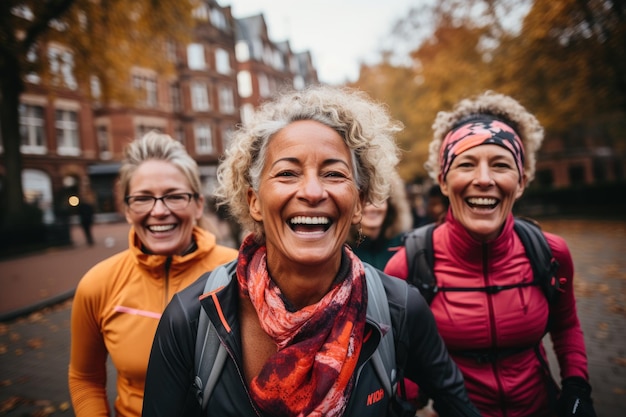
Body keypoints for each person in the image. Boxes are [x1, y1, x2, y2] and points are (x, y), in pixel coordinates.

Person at [141, 85, 481, 417]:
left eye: (334, 173)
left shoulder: (400, 310)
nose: (313, 191)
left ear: (360, 203)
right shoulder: (190, 319)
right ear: (254, 201)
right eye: (287, 173)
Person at [385, 91, 596, 417]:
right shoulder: (409, 264)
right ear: (443, 180)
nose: (484, 179)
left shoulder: (550, 252)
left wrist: (577, 388)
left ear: (521, 181)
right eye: (466, 164)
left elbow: (566, 326)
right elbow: (402, 358)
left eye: (500, 165)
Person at [68, 131, 238, 417]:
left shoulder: (240, 274)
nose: (159, 211)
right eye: (143, 198)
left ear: (197, 205)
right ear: (127, 209)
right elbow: (84, 378)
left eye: (174, 196)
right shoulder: (98, 284)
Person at [347, 172, 413, 269]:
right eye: (365, 201)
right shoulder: (340, 251)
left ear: (391, 205)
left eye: (379, 200)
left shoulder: (406, 246)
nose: (372, 208)